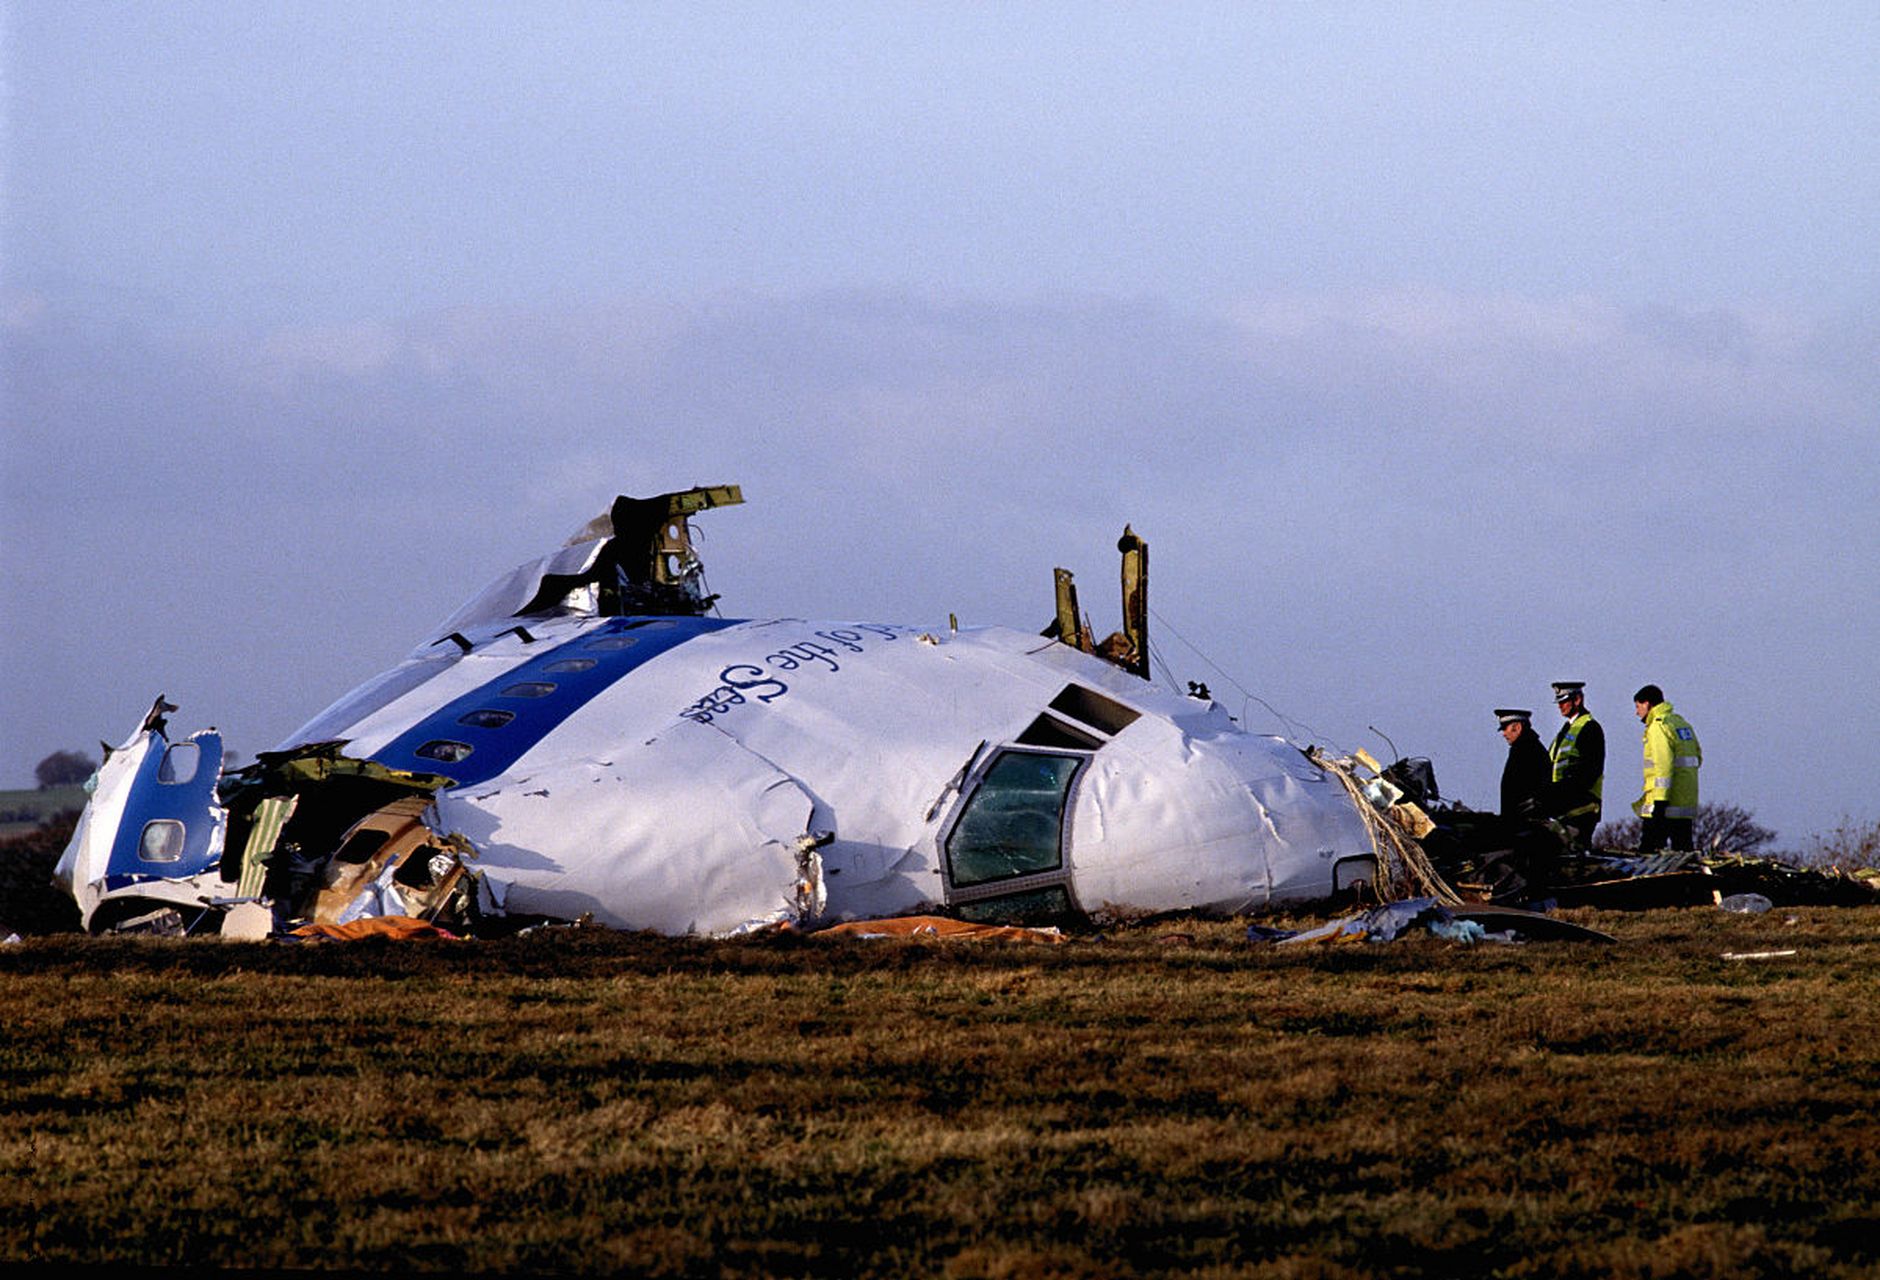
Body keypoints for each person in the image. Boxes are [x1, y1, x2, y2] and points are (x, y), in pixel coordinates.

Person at [1632, 684, 1702, 851]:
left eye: (1637, 706)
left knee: (1649, 854)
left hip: (1663, 805)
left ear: (1647, 704)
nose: (1637, 712)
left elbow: (1663, 766)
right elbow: (1698, 757)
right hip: (1684, 803)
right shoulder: (1681, 724)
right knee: (1684, 853)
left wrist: (1660, 801)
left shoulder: (1658, 727)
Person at [1547, 681, 1604, 846]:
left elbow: (1590, 771)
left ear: (1577, 700)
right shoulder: (1567, 730)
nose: (1560, 706)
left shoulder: (1589, 728)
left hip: (1582, 808)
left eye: (1564, 701)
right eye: (1559, 702)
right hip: (1563, 807)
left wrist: (1562, 791)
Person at [1495, 708, 1552, 820]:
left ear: (1518, 728)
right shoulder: (1531, 748)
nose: (1504, 734)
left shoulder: (1524, 750)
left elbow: (1516, 790)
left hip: (1525, 822)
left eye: (1505, 729)